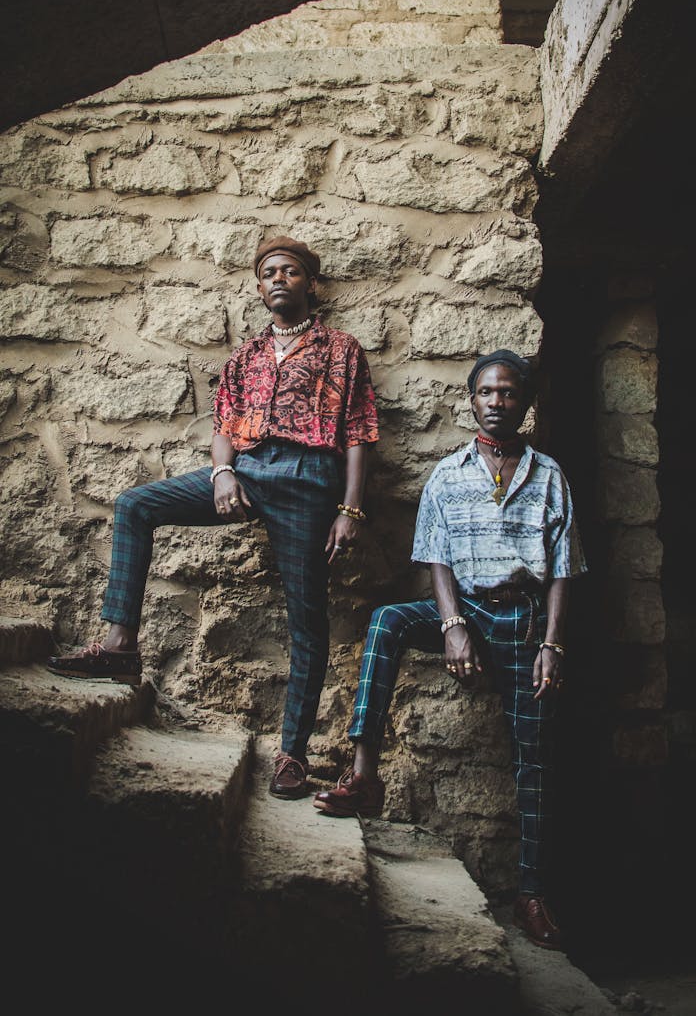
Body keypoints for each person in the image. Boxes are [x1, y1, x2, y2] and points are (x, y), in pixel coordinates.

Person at [47, 234, 380, 799]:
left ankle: (292, 755)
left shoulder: (340, 348)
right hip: (247, 471)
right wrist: (223, 473)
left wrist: (350, 508)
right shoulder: (245, 356)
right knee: (135, 504)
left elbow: (359, 431)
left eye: (291, 271)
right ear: (258, 287)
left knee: (308, 621)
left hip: (307, 483)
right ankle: (119, 647)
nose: (279, 278)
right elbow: (224, 427)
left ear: (311, 284)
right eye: (270, 271)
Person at [313, 348, 586, 951]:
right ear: (472, 401)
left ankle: (532, 893)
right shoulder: (448, 472)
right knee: (386, 620)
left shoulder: (549, 476)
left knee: (534, 757)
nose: (497, 403)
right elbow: (435, 555)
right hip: (465, 609)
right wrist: (452, 624)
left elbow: (564, 569)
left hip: (522, 618)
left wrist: (553, 645)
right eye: (487, 393)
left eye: (509, 393)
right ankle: (363, 774)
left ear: (525, 403)